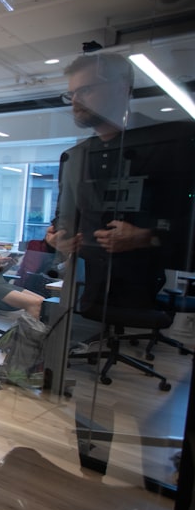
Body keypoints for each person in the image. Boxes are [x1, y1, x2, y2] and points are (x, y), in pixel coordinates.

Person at [47, 52, 195, 315]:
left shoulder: (175, 141)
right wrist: (58, 237)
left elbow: (188, 219)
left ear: (121, 89)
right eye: (71, 94)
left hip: (150, 290)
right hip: (89, 292)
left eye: (86, 90)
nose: (76, 101)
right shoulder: (74, 157)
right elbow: (64, 216)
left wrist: (149, 237)